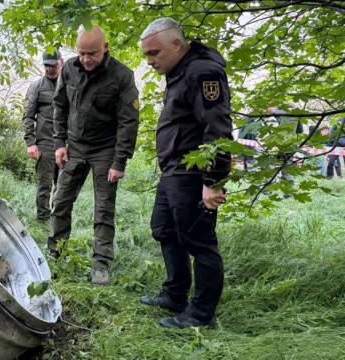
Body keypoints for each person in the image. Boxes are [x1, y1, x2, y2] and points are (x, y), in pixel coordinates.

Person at [139, 17, 233, 328]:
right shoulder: (179, 70)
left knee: (199, 242)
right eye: (147, 55)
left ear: (176, 45)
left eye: (154, 53)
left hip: (193, 172)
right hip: (173, 170)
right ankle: (175, 294)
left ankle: (201, 315)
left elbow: (217, 130)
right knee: (164, 229)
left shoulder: (202, 71)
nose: (151, 61)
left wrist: (213, 181)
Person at [49, 25, 140, 285]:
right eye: (82, 53)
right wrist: (59, 143)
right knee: (61, 202)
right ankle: (56, 255)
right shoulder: (68, 69)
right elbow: (60, 106)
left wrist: (119, 160)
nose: (87, 59)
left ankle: (100, 264)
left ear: (106, 48)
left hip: (105, 151)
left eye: (93, 53)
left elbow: (128, 121)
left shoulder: (122, 76)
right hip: (74, 148)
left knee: (103, 210)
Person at [22, 50, 63, 222]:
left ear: (61, 63)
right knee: (44, 185)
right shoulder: (36, 87)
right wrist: (30, 143)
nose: (49, 69)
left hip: (65, 145)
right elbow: (28, 117)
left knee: (63, 187)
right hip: (45, 145)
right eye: (46, 65)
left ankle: (59, 219)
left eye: (53, 65)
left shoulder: (70, 85)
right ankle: (43, 220)